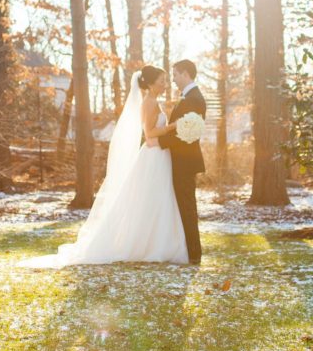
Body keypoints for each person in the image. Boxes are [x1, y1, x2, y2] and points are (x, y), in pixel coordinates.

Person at [22, 65, 189, 267]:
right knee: (152, 198)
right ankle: (150, 245)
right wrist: (174, 126)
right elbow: (150, 133)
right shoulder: (148, 103)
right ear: (151, 83)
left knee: (158, 198)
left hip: (159, 155)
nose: (165, 84)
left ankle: (159, 243)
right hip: (153, 156)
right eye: (162, 80)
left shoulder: (155, 101)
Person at [158, 59, 207, 264]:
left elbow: (184, 135)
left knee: (186, 206)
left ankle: (194, 253)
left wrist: (157, 141)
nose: (174, 80)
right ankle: (188, 250)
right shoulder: (188, 97)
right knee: (183, 205)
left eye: (176, 75)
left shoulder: (194, 99)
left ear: (186, 74)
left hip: (185, 162)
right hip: (181, 161)